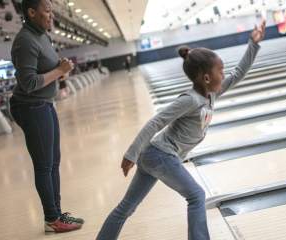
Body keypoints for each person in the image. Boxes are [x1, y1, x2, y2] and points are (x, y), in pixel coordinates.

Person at [96, 20, 266, 240]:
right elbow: (155, 122)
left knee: (127, 207)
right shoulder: (190, 100)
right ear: (206, 78)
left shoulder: (211, 93)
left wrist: (253, 43)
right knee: (196, 195)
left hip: (154, 155)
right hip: (160, 154)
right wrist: (131, 152)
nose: (224, 75)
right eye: (220, 71)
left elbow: (239, 73)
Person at [10, 0, 84, 233]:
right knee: (44, 166)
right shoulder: (25, 41)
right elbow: (29, 83)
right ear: (32, 12)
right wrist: (59, 71)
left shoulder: (42, 35)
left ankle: (57, 214)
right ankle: (52, 219)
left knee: (53, 163)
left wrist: (60, 72)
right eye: (48, 10)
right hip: (31, 107)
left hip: (44, 104)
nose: (52, 15)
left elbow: (46, 71)